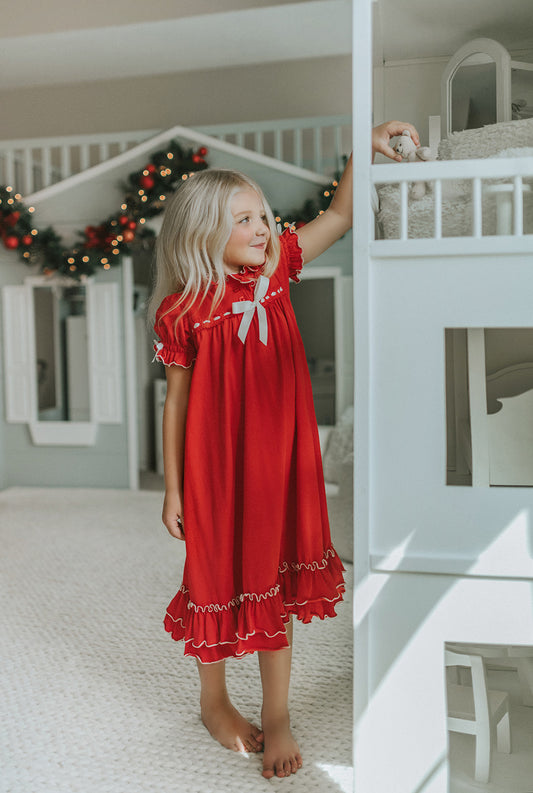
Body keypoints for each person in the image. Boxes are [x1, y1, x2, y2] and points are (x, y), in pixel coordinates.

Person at [149, 120, 419, 779]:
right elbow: (177, 401)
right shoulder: (183, 311)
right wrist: (173, 487)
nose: (263, 227)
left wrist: (364, 147)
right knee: (212, 577)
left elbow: (340, 212)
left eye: (263, 215)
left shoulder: (277, 270)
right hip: (212, 471)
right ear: (203, 233)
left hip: (279, 463)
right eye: (244, 219)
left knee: (273, 579)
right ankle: (212, 699)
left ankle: (277, 714)